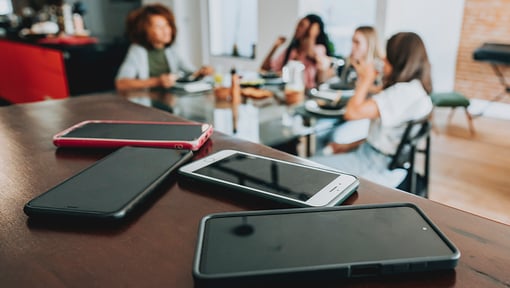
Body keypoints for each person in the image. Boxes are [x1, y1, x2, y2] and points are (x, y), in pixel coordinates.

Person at [310, 32, 433, 188]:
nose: (383, 60)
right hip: (376, 158)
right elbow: (385, 138)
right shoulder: (416, 90)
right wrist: (347, 146)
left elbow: (351, 113)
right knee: (320, 155)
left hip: (375, 168)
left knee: (306, 166)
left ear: (399, 60)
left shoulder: (402, 93)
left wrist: (366, 79)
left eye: (387, 57)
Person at [116, 4, 212, 91]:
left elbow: (190, 72)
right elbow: (121, 83)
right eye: (159, 27)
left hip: (171, 101)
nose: (166, 31)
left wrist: (201, 73)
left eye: (167, 25)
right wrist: (157, 81)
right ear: (145, 30)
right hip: (147, 102)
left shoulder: (173, 49)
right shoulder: (137, 51)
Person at [324, 26, 384, 154]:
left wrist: (365, 81)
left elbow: (383, 93)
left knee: (336, 136)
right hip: (342, 111)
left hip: (364, 117)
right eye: (352, 41)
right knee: (322, 132)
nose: (352, 46)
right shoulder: (349, 63)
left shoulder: (378, 67)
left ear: (369, 44)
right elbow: (337, 84)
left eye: (357, 42)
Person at [260, 14, 333, 89]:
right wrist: (275, 47)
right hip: (289, 93)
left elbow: (321, 79)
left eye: (301, 25)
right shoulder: (291, 51)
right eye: (297, 25)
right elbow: (264, 69)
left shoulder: (319, 50)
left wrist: (311, 36)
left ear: (313, 29)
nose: (296, 28)